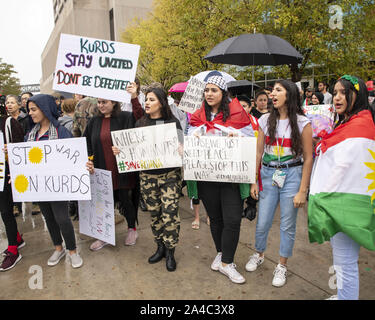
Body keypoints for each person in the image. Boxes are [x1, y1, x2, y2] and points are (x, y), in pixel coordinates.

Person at [308, 75, 375, 300]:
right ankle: (343, 295)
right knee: (342, 259)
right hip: (341, 201)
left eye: (342, 92)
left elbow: (345, 164)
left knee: (345, 261)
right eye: (335, 92)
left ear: (357, 95)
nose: (337, 97)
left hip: (346, 204)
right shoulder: (349, 121)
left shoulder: (361, 125)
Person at [188, 75, 256, 284]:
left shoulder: (237, 114)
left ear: (223, 93)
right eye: (206, 90)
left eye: (214, 90)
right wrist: (193, 138)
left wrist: (239, 139)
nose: (209, 94)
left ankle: (227, 262)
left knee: (233, 219)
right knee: (215, 219)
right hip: (207, 178)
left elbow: (250, 142)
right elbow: (188, 141)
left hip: (231, 178)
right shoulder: (198, 116)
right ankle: (221, 253)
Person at [247, 79, 313, 287]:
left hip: (292, 175)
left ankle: (282, 265)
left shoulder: (303, 123)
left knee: (287, 224)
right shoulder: (265, 120)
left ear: (290, 94)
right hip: (267, 175)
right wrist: (253, 181)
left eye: (278, 90)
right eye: (272, 90)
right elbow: (258, 153)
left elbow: (309, 158)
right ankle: (259, 254)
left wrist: (303, 190)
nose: (272, 94)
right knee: (263, 220)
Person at [118, 87, 183, 272]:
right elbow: (133, 149)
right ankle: (160, 246)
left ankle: (170, 251)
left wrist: (181, 148)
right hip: (148, 177)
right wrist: (121, 151)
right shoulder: (140, 124)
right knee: (154, 213)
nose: (147, 103)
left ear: (161, 103)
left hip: (170, 175)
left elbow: (183, 147)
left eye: (151, 99)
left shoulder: (173, 122)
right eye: (146, 99)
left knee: (169, 214)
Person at [25, 94, 83, 268]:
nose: (30, 113)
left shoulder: (61, 132)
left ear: (44, 109)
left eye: (34, 109)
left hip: (58, 186)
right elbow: (24, 160)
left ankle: (72, 250)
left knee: (62, 218)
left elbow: (73, 156)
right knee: (48, 218)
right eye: (29, 110)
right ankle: (58, 248)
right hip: (40, 186)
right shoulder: (30, 134)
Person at [85, 96, 143, 250]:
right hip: (102, 170)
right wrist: (89, 160)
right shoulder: (93, 122)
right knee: (104, 203)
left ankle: (132, 229)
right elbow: (88, 144)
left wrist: (123, 150)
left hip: (121, 170)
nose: (100, 105)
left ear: (114, 102)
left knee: (126, 200)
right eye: (99, 102)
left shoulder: (125, 117)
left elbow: (135, 139)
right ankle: (104, 235)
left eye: (104, 102)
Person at [0, 103, 26, 271]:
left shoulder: (8, 122)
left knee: (6, 211)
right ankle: (16, 238)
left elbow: (21, 149)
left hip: (6, 176)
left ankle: (13, 250)